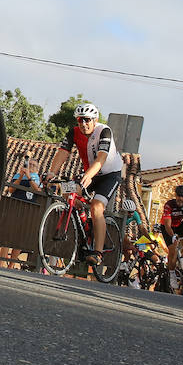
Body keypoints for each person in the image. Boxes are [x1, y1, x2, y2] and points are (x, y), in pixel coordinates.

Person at [45, 103, 124, 266]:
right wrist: (52, 173)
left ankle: (98, 252)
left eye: (87, 120)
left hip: (109, 174)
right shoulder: (74, 132)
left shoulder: (104, 131)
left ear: (95, 120)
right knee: (67, 191)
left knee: (96, 207)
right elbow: (62, 153)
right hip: (90, 172)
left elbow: (101, 157)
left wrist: (88, 175)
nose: (83, 124)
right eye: (80, 120)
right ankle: (83, 224)